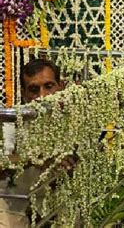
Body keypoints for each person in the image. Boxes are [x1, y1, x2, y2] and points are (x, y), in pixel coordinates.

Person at [1, 59, 64, 227]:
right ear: (24, 93)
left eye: (48, 86)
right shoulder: (11, 121)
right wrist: (34, 160)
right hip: (15, 201)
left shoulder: (76, 119)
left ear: (61, 86)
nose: (42, 96)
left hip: (61, 200)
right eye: (34, 90)